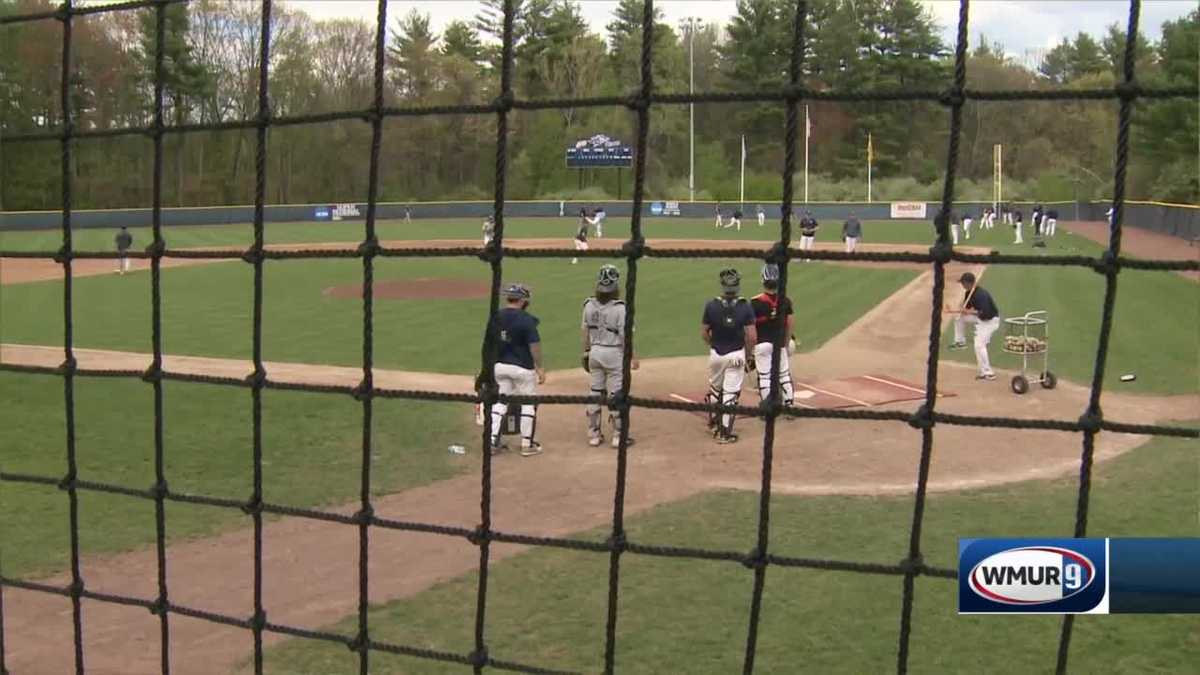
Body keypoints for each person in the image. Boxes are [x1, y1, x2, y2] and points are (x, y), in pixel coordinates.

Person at [581, 265, 639, 448]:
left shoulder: (588, 305)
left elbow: (584, 331)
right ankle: (618, 436)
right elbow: (624, 337)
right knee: (616, 395)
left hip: (595, 353)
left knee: (595, 392)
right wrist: (632, 356)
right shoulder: (621, 309)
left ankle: (594, 435)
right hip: (613, 353)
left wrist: (586, 351)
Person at [487, 283, 546, 456]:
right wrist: (539, 367)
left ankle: (491, 442)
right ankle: (527, 445)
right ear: (522, 301)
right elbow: (534, 346)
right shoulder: (527, 319)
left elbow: (489, 343)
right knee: (528, 403)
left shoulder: (496, 317)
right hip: (522, 369)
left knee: (499, 402)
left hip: (499, 367)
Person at [701, 268, 757, 444]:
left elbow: (704, 332)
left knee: (716, 389)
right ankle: (724, 433)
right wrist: (748, 355)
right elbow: (752, 336)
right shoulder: (745, 306)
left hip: (716, 354)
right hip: (736, 355)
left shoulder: (711, 305)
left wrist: (713, 345)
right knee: (730, 394)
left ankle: (713, 422)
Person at [750, 263, 795, 410]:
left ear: (763, 280)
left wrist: (750, 349)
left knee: (764, 377)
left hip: (762, 344)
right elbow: (789, 325)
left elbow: (750, 329)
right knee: (783, 375)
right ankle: (789, 405)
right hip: (779, 343)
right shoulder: (785, 301)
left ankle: (767, 407)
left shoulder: (754, 303)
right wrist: (786, 344)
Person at [947, 272, 1001, 381]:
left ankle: (989, 373)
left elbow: (986, 314)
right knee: (959, 318)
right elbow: (965, 309)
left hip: (990, 321)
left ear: (968, 283)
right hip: (981, 318)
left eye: (962, 283)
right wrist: (957, 311)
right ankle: (960, 342)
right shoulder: (969, 293)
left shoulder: (981, 295)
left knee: (979, 345)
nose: (961, 285)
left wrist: (969, 312)